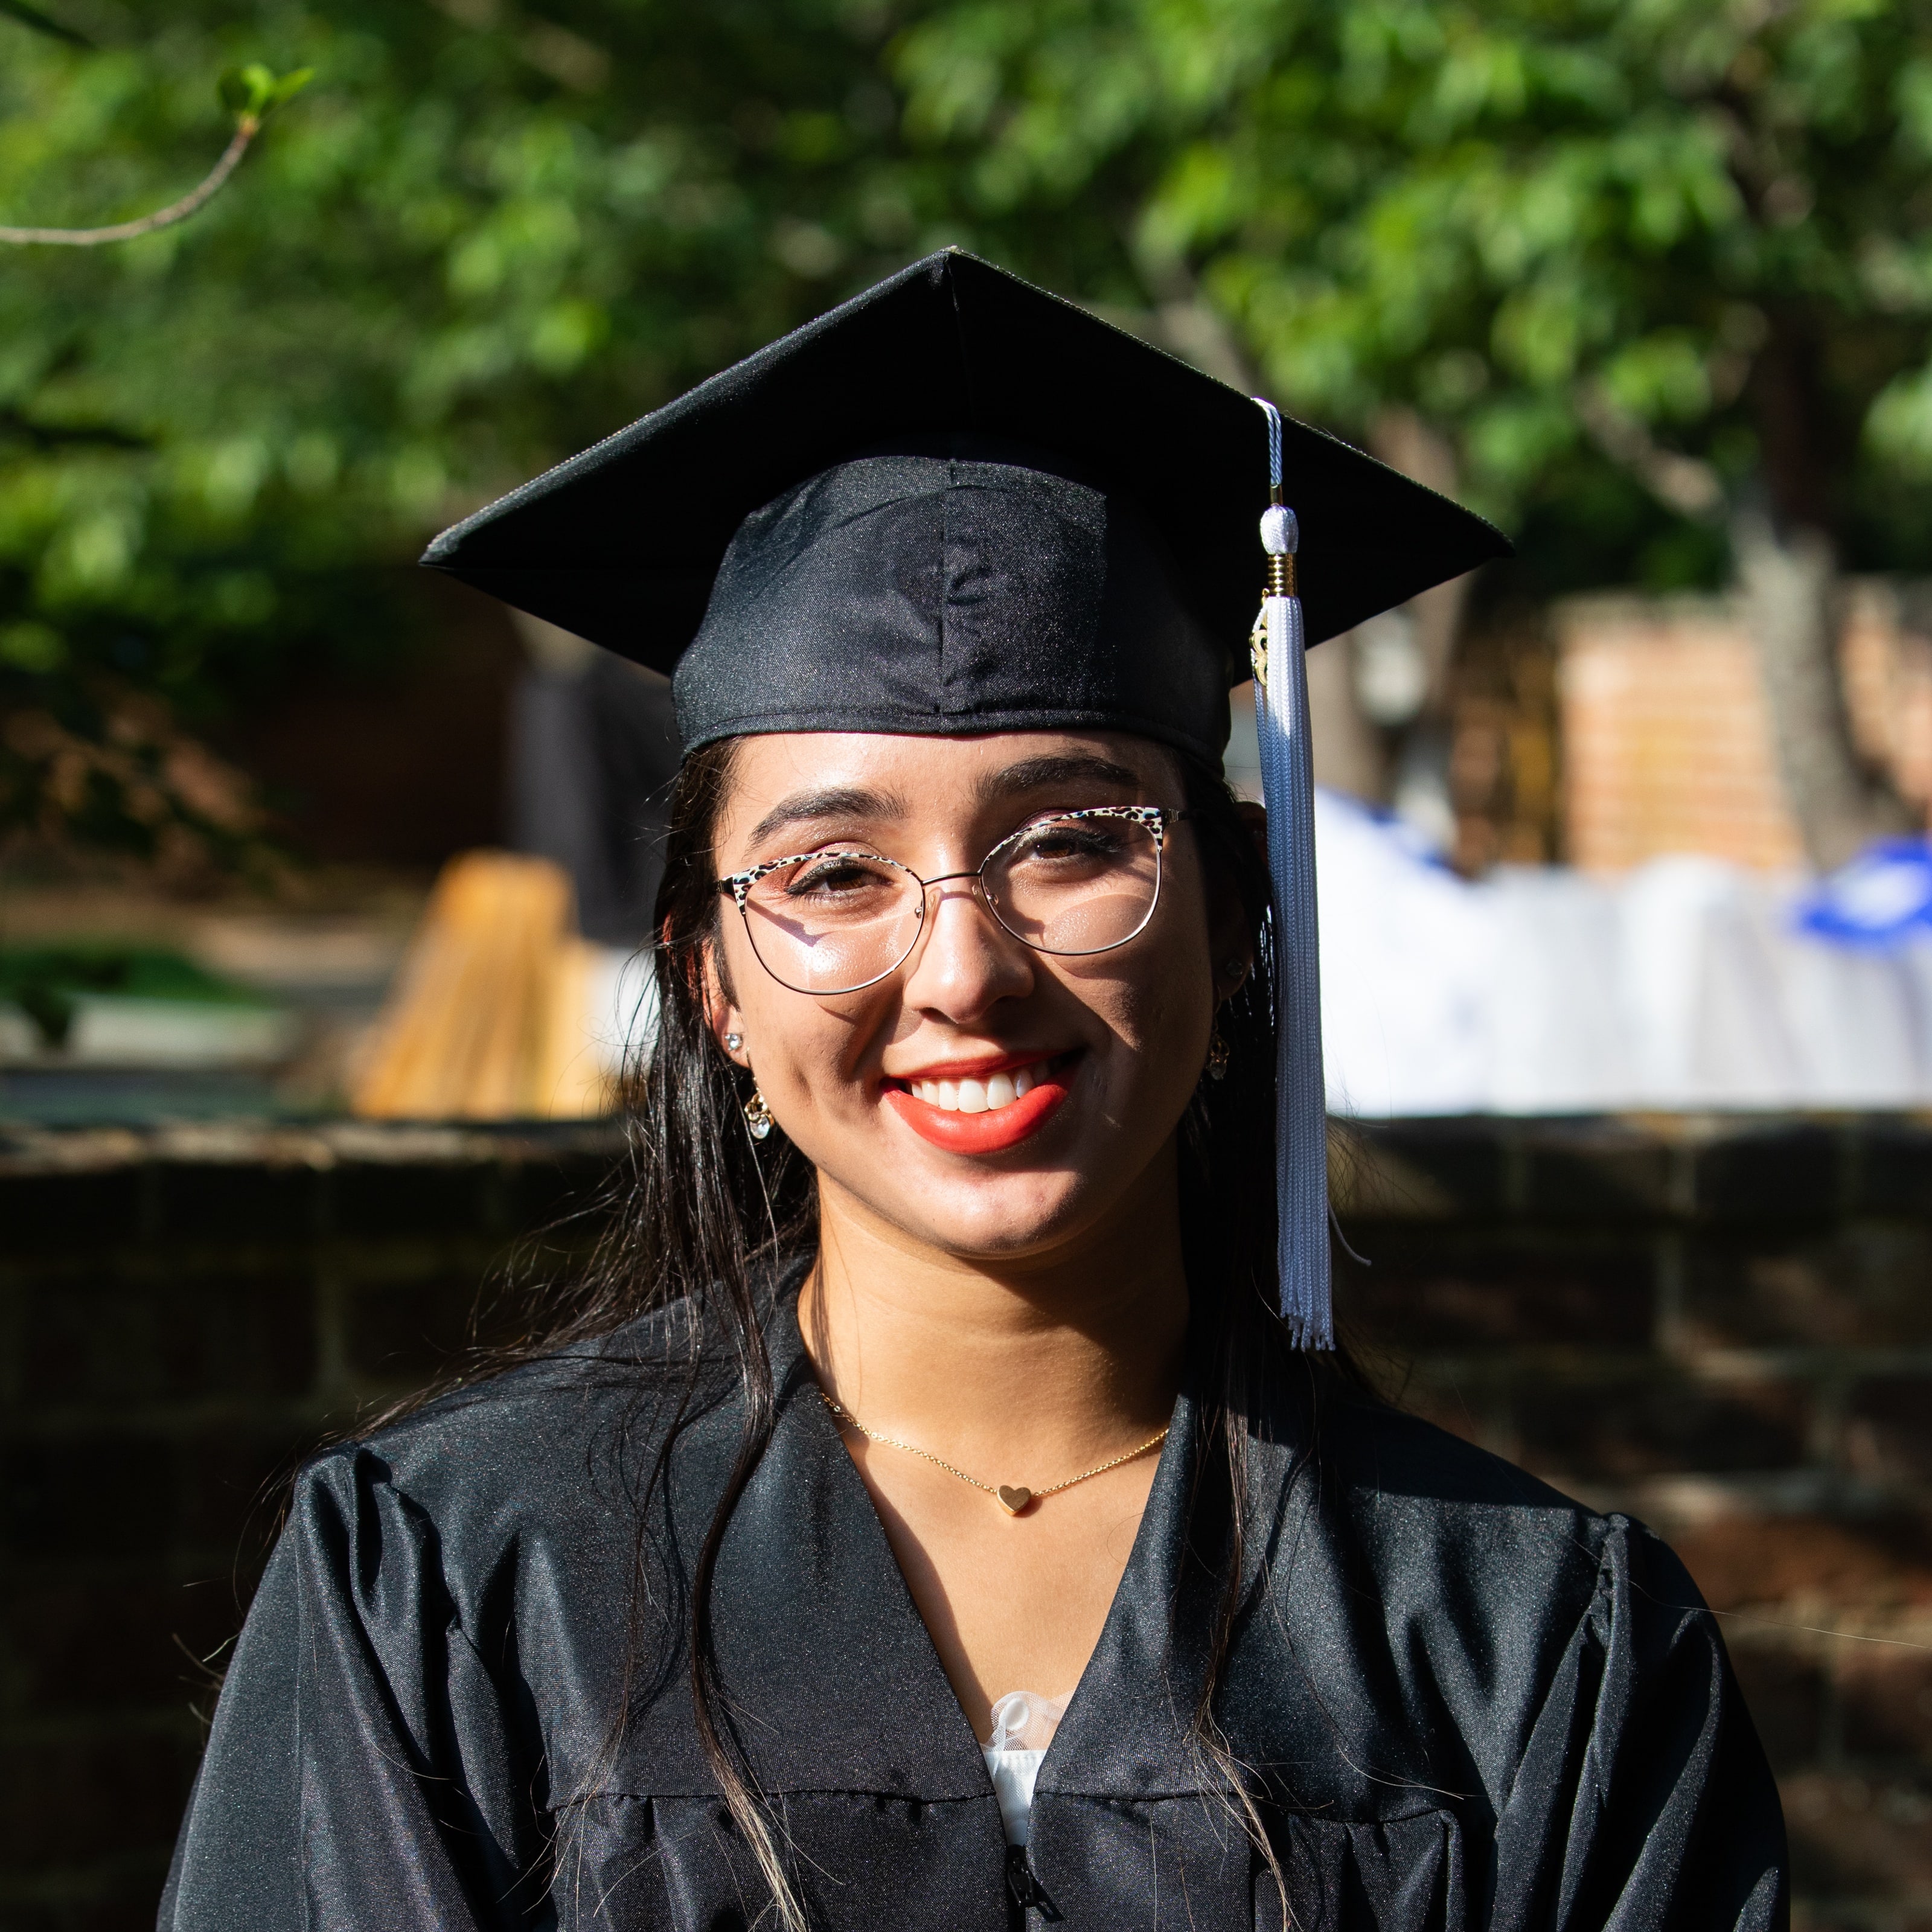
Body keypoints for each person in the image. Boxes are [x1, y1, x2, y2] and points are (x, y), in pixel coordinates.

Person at [159, 251, 1786, 1931]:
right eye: (834, 873)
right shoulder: (457, 1586)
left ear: (1238, 916)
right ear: (708, 982)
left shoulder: (1536, 1642)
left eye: (1075, 842)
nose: (962, 971)